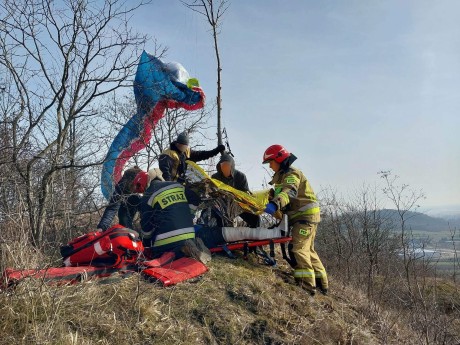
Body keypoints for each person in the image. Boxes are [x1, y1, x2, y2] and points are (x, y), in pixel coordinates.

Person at [262, 144, 328, 296]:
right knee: (308, 250)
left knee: (298, 249)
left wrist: (275, 203)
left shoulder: (292, 174)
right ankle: (322, 285)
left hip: (304, 217)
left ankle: (307, 287)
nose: (270, 166)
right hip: (307, 217)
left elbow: (289, 191)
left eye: (271, 162)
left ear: (279, 160)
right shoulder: (284, 176)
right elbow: (282, 192)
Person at [138, 168, 212, 263]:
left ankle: (182, 250)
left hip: (166, 241)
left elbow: (146, 227)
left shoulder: (148, 195)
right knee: (179, 247)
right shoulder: (177, 185)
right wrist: (190, 215)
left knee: (157, 254)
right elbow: (195, 198)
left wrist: (145, 244)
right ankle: (191, 248)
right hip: (189, 235)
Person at [211, 153, 260, 228]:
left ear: (232, 166)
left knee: (255, 217)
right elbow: (211, 194)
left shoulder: (241, 176)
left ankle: (255, 232)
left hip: (238, 205)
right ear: (219, 166)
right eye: (222, 166)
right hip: (221, 205)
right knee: (212, 215)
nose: (225, 168)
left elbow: (245, 195)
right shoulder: (214, 177)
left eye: (227, 166)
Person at [159, 131, 225, 182]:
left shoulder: (187, 152)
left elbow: (201, 155)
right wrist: (169, 185)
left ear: (186, 146)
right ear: (177, 143)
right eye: (180, 145)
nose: (181, 148)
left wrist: (216, 150)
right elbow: (165, 173)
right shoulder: (167, 155)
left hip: (184, 182)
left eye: (184, 146)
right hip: (171, 183)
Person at [97, 166, 144, 231]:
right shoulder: (121, 188)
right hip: (128, 206)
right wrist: (101, 227)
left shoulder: (145, 184)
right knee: (124, 217)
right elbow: (112, 209)